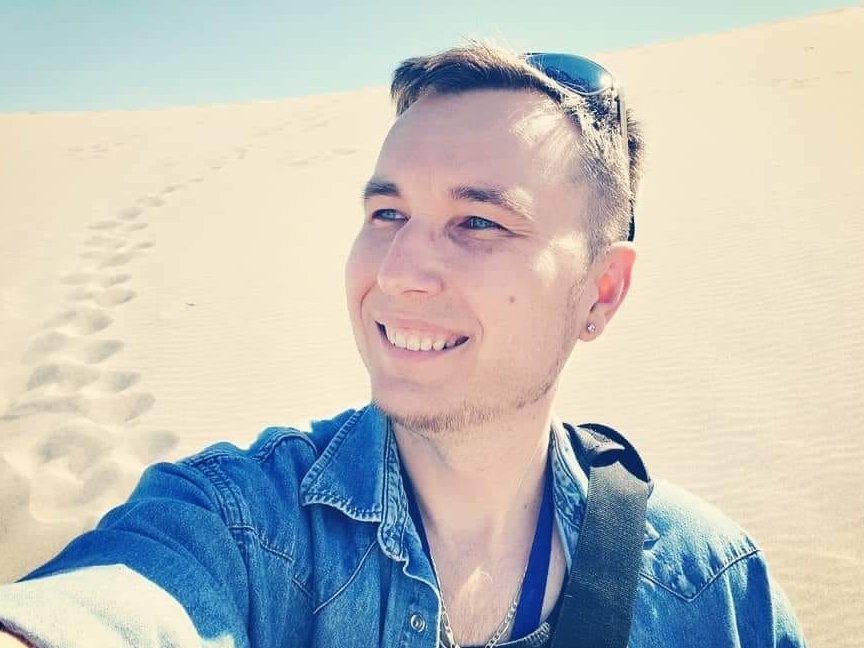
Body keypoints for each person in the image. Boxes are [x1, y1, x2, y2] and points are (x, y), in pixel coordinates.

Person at [0, 43, 805, 647]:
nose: (397, 271)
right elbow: (110, 605)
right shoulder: (241, 528)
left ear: (601, 291)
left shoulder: (715, 592)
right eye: (387, 214)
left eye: (478, 222)